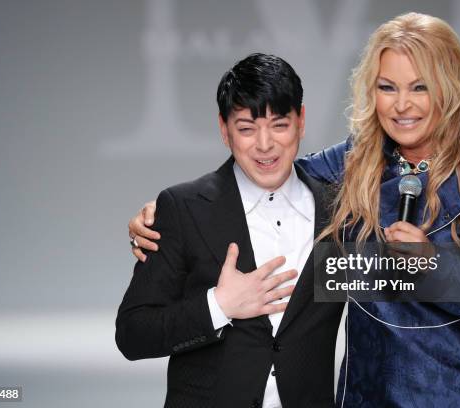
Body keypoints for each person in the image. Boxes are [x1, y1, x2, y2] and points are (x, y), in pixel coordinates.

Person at [129, 13, 460, 407]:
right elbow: (272, 174)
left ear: (450, 88)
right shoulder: (356, 159)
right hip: (362, 395)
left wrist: (436, 267)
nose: (402, 105)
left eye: (420, 87)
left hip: (459, 396)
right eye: (387, 87)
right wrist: (169, 212)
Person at [116, 53, 343, 408]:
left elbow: (406, 294)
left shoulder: (343, 213)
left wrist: (420, 256)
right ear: (224, 130)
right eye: (247, 128)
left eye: (279, 125)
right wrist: (218, 306)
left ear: (301, 121)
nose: (265, 144)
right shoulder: (184, 208)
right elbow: (132, 334)